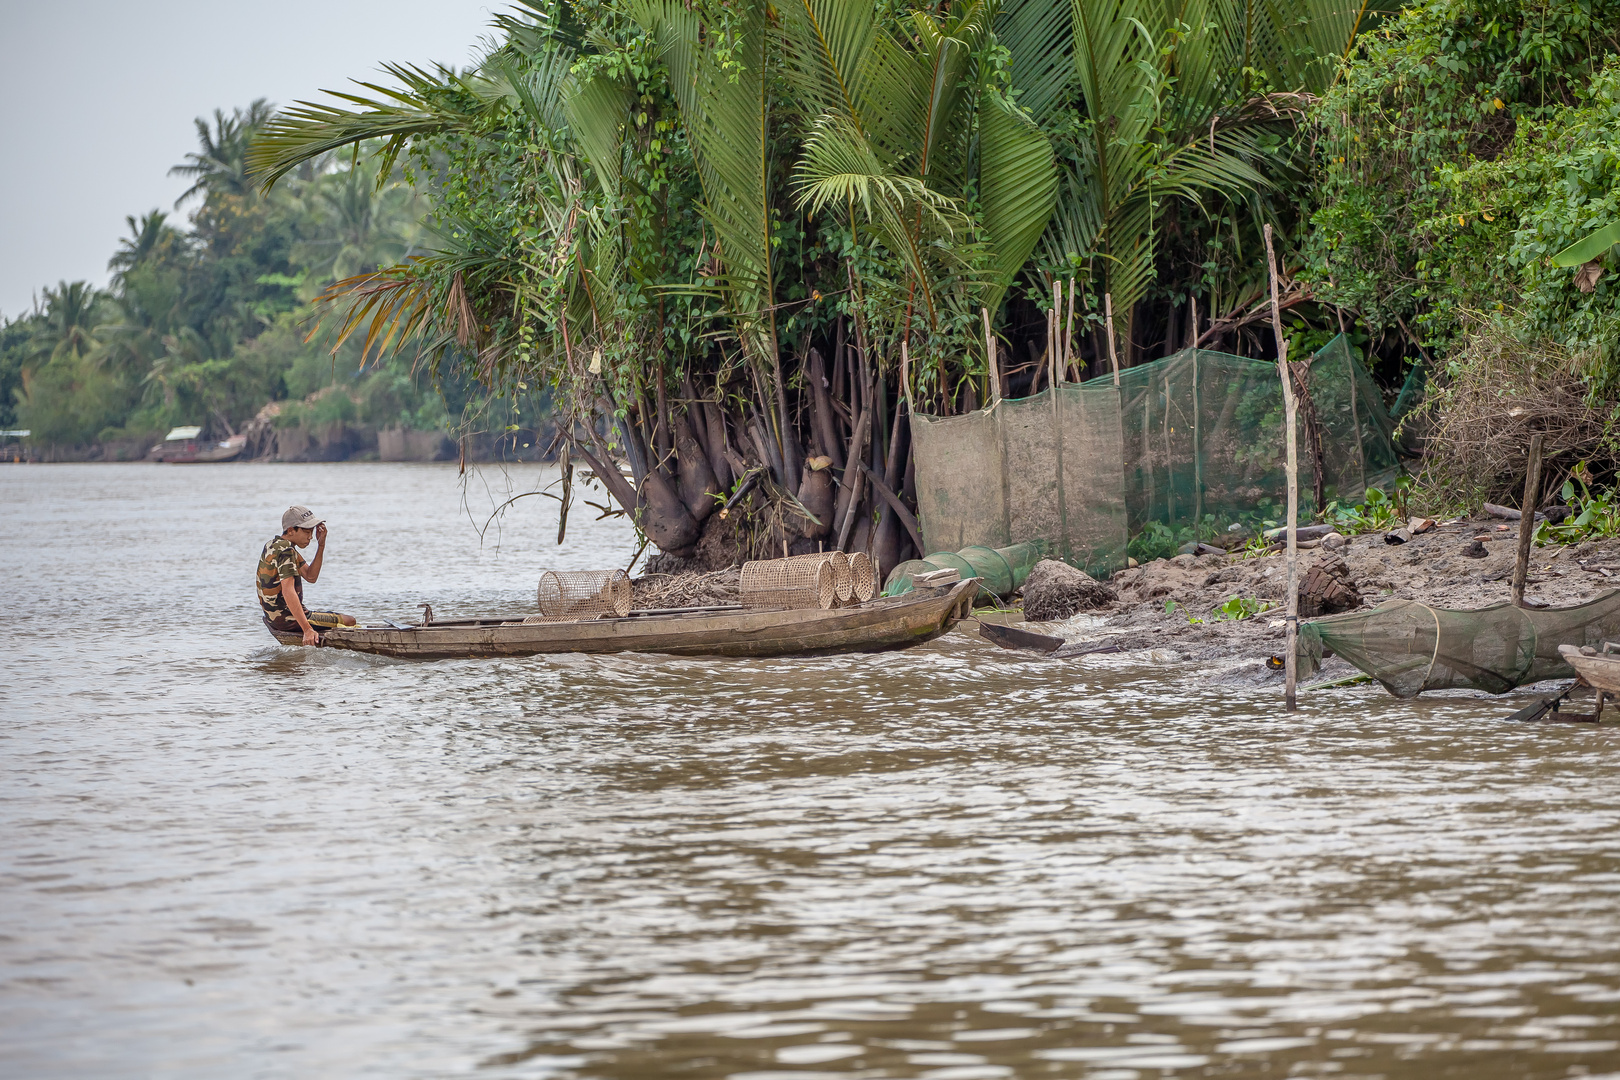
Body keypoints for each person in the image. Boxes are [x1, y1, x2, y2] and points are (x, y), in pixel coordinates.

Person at [257, 505, 356, 645]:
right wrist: (307, 629)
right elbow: (288, 590)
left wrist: (321, 545)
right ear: (291, 530)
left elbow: (311, 576)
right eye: (306, 532)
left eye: (311, 532)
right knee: (350, 621)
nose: (310, 537)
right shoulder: (287, 551)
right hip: (288, 619)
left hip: (274, 618)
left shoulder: (273, 545)